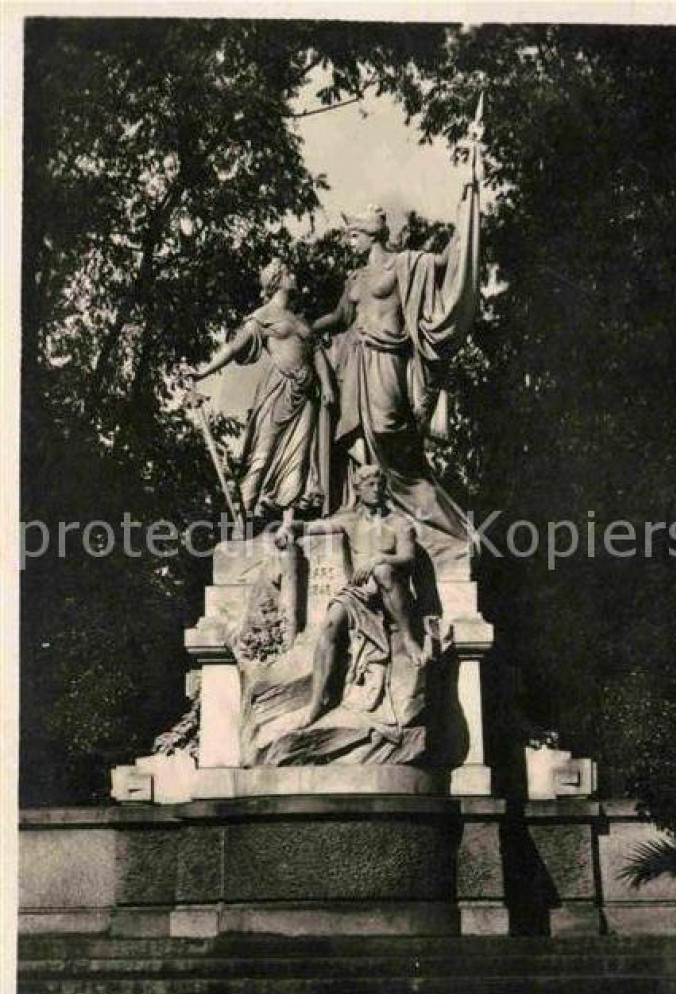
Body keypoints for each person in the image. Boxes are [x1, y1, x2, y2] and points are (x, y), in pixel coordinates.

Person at [311, 146, 483, 571]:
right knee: (358, 444)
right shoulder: (354, 277)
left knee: (391, 438)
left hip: (389, 361)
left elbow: (446, 262)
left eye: (355, 231)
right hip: (356, 364)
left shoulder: (406, 263)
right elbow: (339, 316)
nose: (349, 237)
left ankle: (453, 528)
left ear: (373, 232)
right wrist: (306, 330)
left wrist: (467, 205)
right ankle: (365, 510)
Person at [275, 464, 423, 727]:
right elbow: (309, 527)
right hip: (359, 594)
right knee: (331, 623)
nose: (376, 489)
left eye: (380, 485)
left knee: (384, 570)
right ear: (358, 490)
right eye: (369, 485)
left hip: (393, 592)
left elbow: (409, 558)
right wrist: (287, 527)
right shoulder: (349, 521)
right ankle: (317, 703)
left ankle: (409, 639)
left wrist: (378, 558)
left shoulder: (399, 523)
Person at [186, 258, 335, 516]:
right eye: (289, 272)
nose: (294, 276)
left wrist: (328, 385)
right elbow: (234, 348)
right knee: (263, 452)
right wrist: (202, 372)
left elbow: (317, 351)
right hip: (279, 390)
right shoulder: (262, 316)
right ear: (277, 281)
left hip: (307, 394)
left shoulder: (299, 318)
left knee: (298, 457)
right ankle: (243, 511)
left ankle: (288, 521)